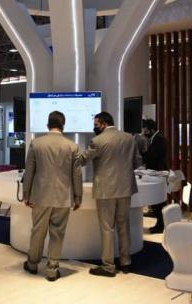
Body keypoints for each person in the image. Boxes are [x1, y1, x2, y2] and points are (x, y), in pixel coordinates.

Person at [78, 111, 144, 277]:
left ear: (103, 123)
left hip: (105, 190)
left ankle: (108, 266)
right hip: (125, 188)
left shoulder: (97, 141)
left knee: (107, 228)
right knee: (123, 225)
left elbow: (82, 160)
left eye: (96, 124)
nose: (94, 127)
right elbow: (137, 162)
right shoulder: (129, 138)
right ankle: (126, 262)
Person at [22, 111, 83, 282]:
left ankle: (32, 264)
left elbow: (29, 172)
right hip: (63, 197)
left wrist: (26, 195)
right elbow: (77, 175)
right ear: (63, 125)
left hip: (40, 196)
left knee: (37, 231)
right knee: (57, 233)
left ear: (48, 124)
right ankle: (52, 269)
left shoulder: (36, 144)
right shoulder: (72, 146)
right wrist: (77, 197)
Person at [141, 119, 169, 234]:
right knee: (156, 203)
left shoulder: (159, 139)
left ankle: (161, 225)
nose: (144, 132)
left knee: (158, 203)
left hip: (158, 174)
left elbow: (152, 156)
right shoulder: (155, 139)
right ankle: (159, 224)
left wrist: (142, 155)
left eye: (145, 130)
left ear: (151, 129)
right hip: (155, 174)